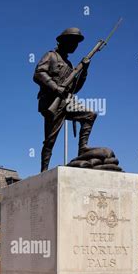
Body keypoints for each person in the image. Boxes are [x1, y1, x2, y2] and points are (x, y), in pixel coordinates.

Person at [34, 27, 97, 172]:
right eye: (73, 42)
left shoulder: (69, 65)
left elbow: (75, 89)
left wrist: (84, 70)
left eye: (76, 44)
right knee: (50, 141)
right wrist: (55, 88)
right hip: (51, 102)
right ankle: (44, 171)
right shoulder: (51, 56)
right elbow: (38, 73)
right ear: (64, 42)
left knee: (90, 115)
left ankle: (82, 149)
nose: (75, 46)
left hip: (67, 102)